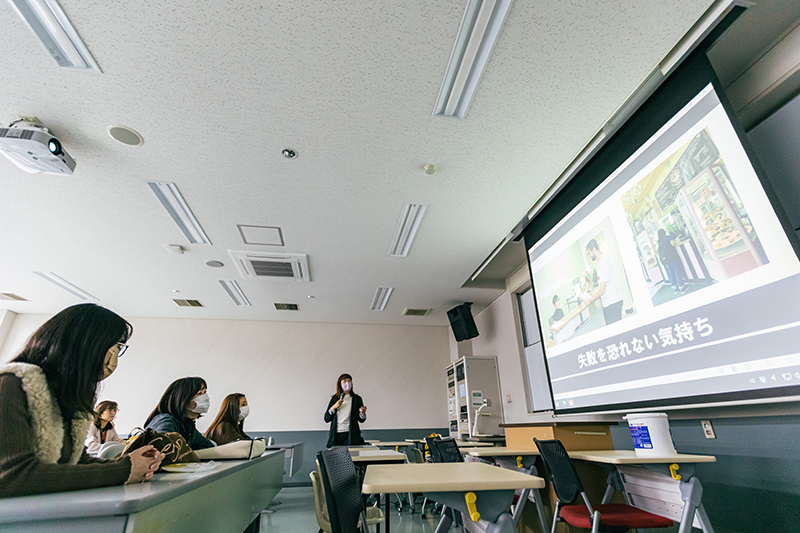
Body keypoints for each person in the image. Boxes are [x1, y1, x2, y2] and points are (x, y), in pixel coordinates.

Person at [0, 303, 163, 497]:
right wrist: (124, 470)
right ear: (88, 344)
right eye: (117, 347)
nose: (115, 356)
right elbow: (13, 477)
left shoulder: (65, 398)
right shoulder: (12, 385)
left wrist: (132, 463)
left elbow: (77, 462)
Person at [144, 377, 216, 449]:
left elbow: (209, 446)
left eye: (205, 392)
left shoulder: (188, 426)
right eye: (199, 393)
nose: (205, 398)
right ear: (182, 399)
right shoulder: (166, 421)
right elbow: (162, 448)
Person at [585, 238, 624, 325]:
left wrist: (590, 300)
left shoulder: (603, 262)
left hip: (612, 302)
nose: (589, 256)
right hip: (610, 302)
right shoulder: (600, 262)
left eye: (589, 253)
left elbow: (602, 290)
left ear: (594, 249)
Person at [324, 373, 367, 447]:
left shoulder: (357, 399)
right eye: (344, 381)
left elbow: (361, 419)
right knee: (337, 457)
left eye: (349, 381)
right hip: (337, 433)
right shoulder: (334, 399)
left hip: (351, 433)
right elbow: (326, 418)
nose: (347, 383)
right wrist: (334, 407)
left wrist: (362, 413)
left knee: (352, 456)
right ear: (340, 384)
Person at [657, 228, 688, 294]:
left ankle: (675, 288)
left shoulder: (659, 241)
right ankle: (681, 287)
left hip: (667, 259)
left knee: (671, 273)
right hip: (672, 257)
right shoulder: (665, 238)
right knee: (677, 271)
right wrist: (670, 231)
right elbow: (673, 236)